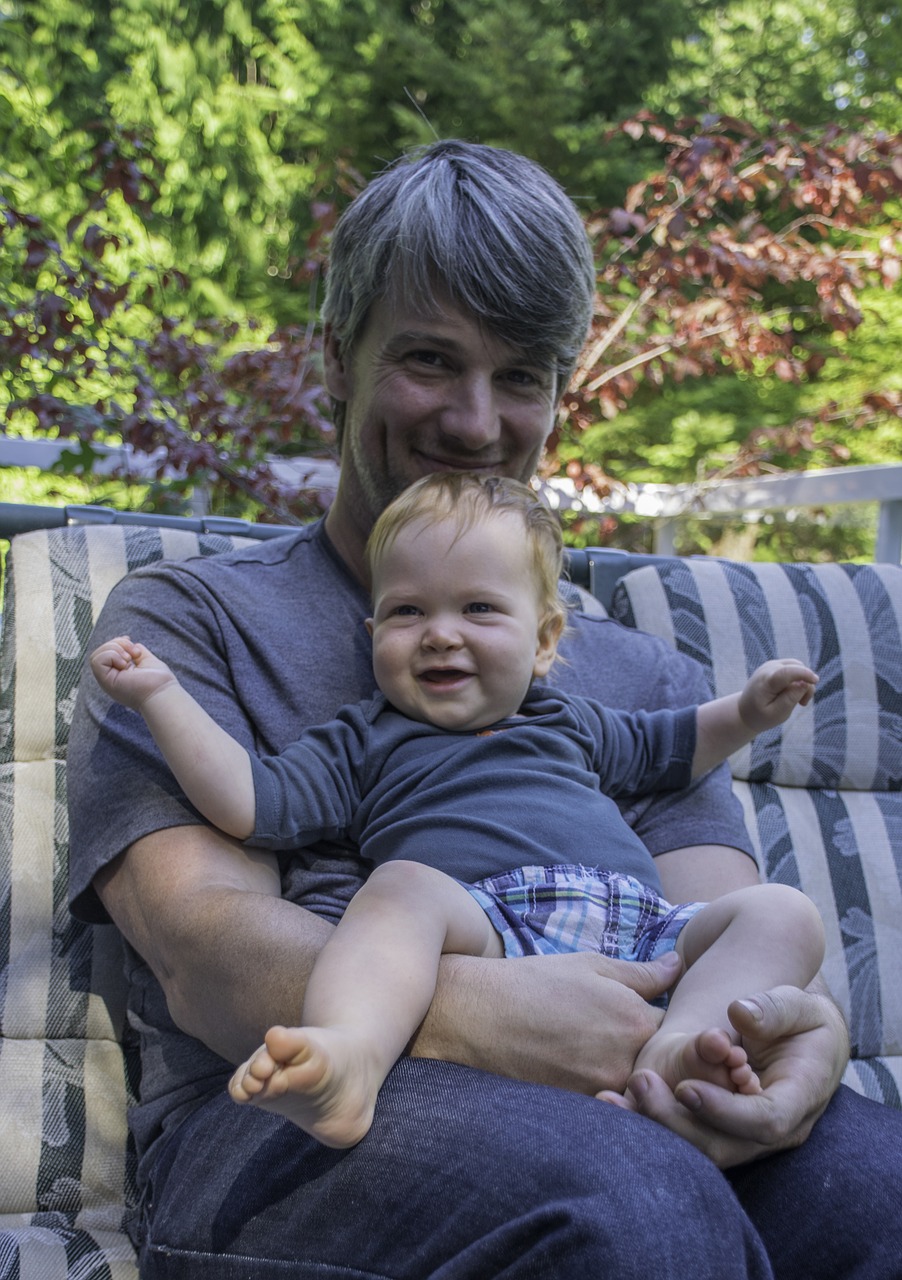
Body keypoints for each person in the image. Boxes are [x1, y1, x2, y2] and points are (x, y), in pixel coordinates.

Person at [67, 139, 902, 1279]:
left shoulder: (631, 672)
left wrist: (798, 1037)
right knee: (632, 1210)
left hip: (627, 1074)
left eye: (519, 375)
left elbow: (722, 925)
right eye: (427, 359)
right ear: (335, 360)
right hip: (286, 1117)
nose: (473, 420)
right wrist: (466, 1009)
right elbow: (201, 947)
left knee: (877, 1189)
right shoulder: (191, 620)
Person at [89, 472, 826, 1151]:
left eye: (478, 608)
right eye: (408, 611)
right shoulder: (364, 740)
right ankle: (350, 1053)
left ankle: (682, 1050)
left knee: (783, 912)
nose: (441, 632)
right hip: (489, 929)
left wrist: (749, 710)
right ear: (375, 637)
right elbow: (248, 801)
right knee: (401, 889)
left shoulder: (573, 720)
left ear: (543, 642)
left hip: (636, 927)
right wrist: (162, 697)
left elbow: (680, 745)